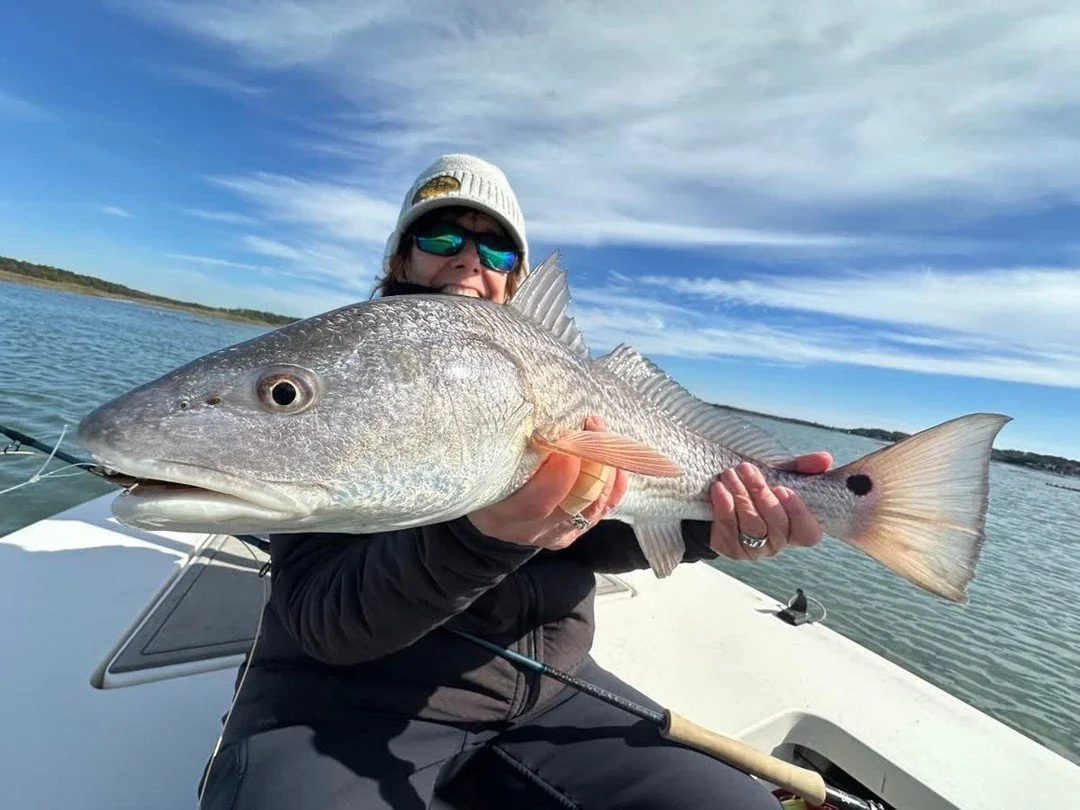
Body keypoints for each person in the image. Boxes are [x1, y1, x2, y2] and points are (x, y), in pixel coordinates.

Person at [197, 154, 832, 810]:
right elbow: (324, 622)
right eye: (440, 237)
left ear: (517, 278)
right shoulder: (352, 371)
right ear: (400, 260)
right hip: (338, 702)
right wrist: (482, 539)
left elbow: (596, 540)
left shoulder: (559, 377)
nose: (469, 262)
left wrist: (720, 528)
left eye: (496, 249)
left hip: (550, 691)